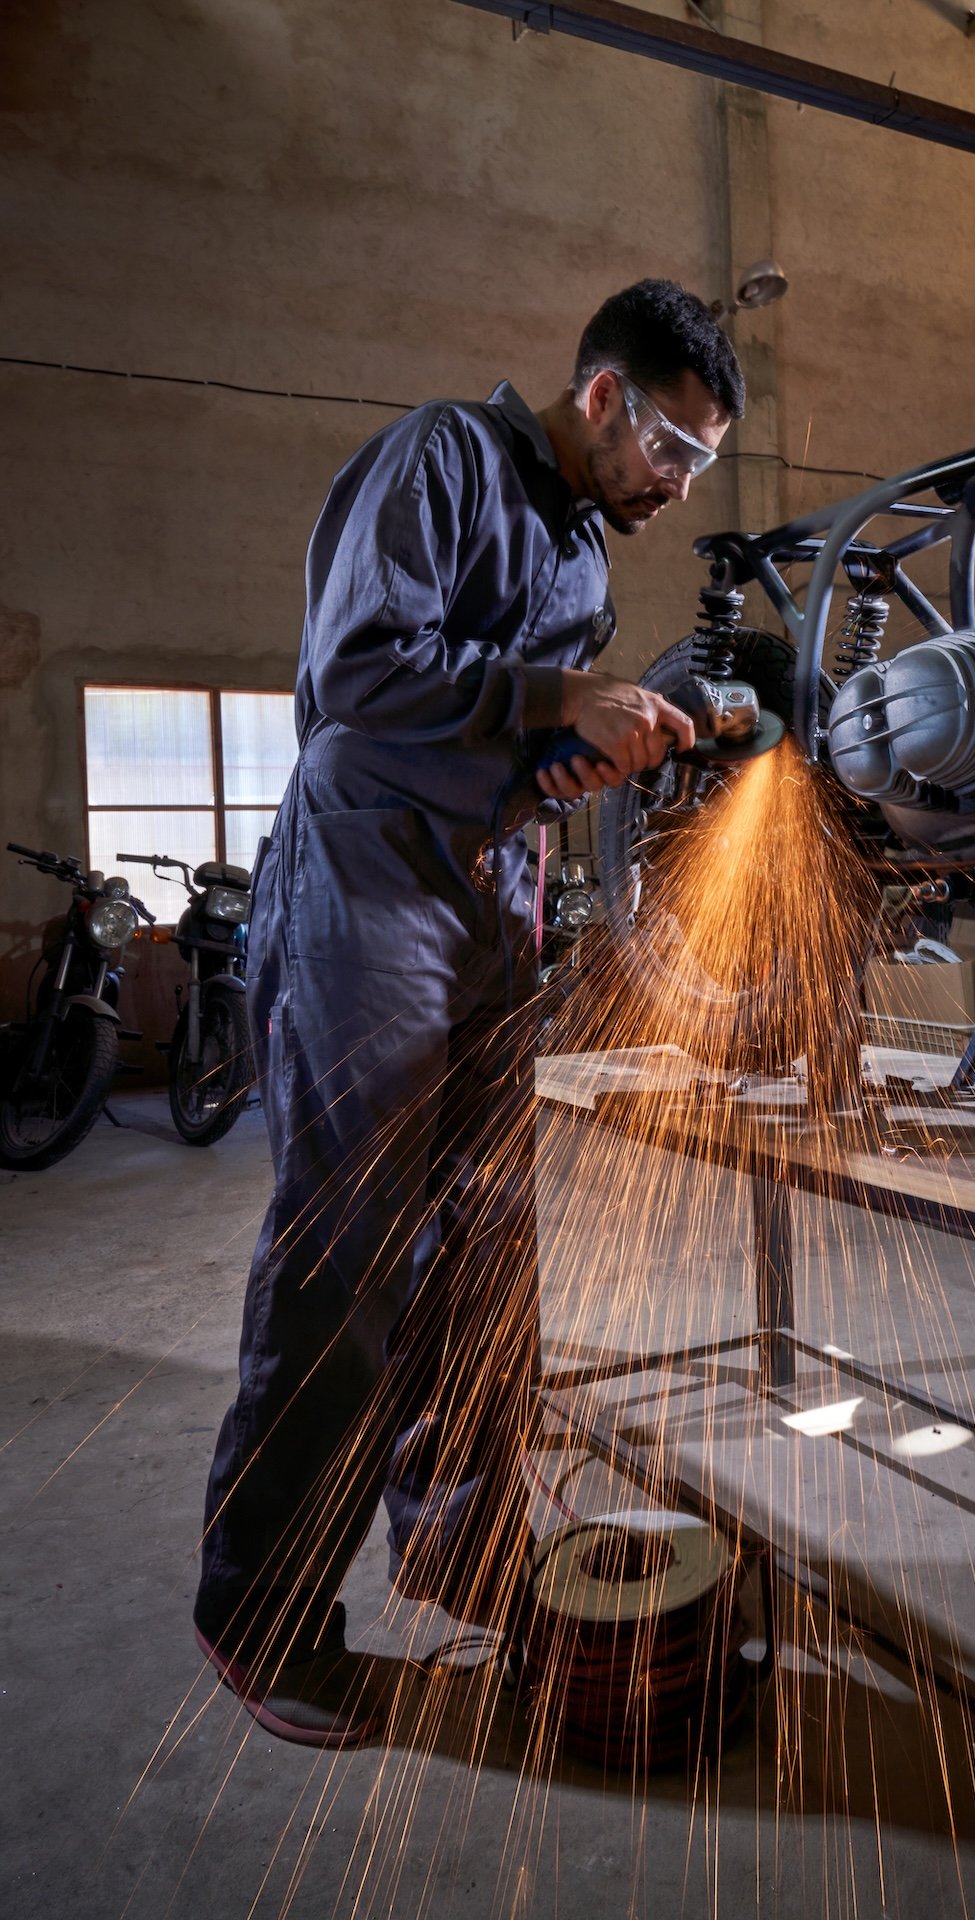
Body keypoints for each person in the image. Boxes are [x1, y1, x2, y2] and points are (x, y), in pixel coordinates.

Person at [194, 280, 745, 1747]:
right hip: (371, 887)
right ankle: (258, 1612)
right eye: (675, 449)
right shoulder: (443, 459)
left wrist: (572, 762)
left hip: (493, 893)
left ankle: (457, 1542)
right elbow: (358, 679)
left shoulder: (582, 554)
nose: (679, 483)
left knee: (488, 1238)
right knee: (350, 1246)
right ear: (605, 396)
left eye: (702, 464)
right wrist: (568, 697)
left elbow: (502, 736)